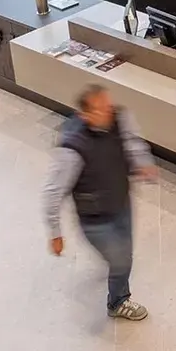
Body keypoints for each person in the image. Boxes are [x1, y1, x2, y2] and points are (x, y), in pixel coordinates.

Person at [44, 84, 157, 321]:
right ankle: (117, 302)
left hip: (120, 203)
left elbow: (132, 142)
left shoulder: (118, 117)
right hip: (95, 219)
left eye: (108, 105)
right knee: (121, 259)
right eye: (100, 109)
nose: (108, 112)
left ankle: (116, 277)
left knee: (124, 255)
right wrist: (55, 232)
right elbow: (53, 192)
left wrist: (142, 163)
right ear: (84, 115)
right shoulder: (72, 150)